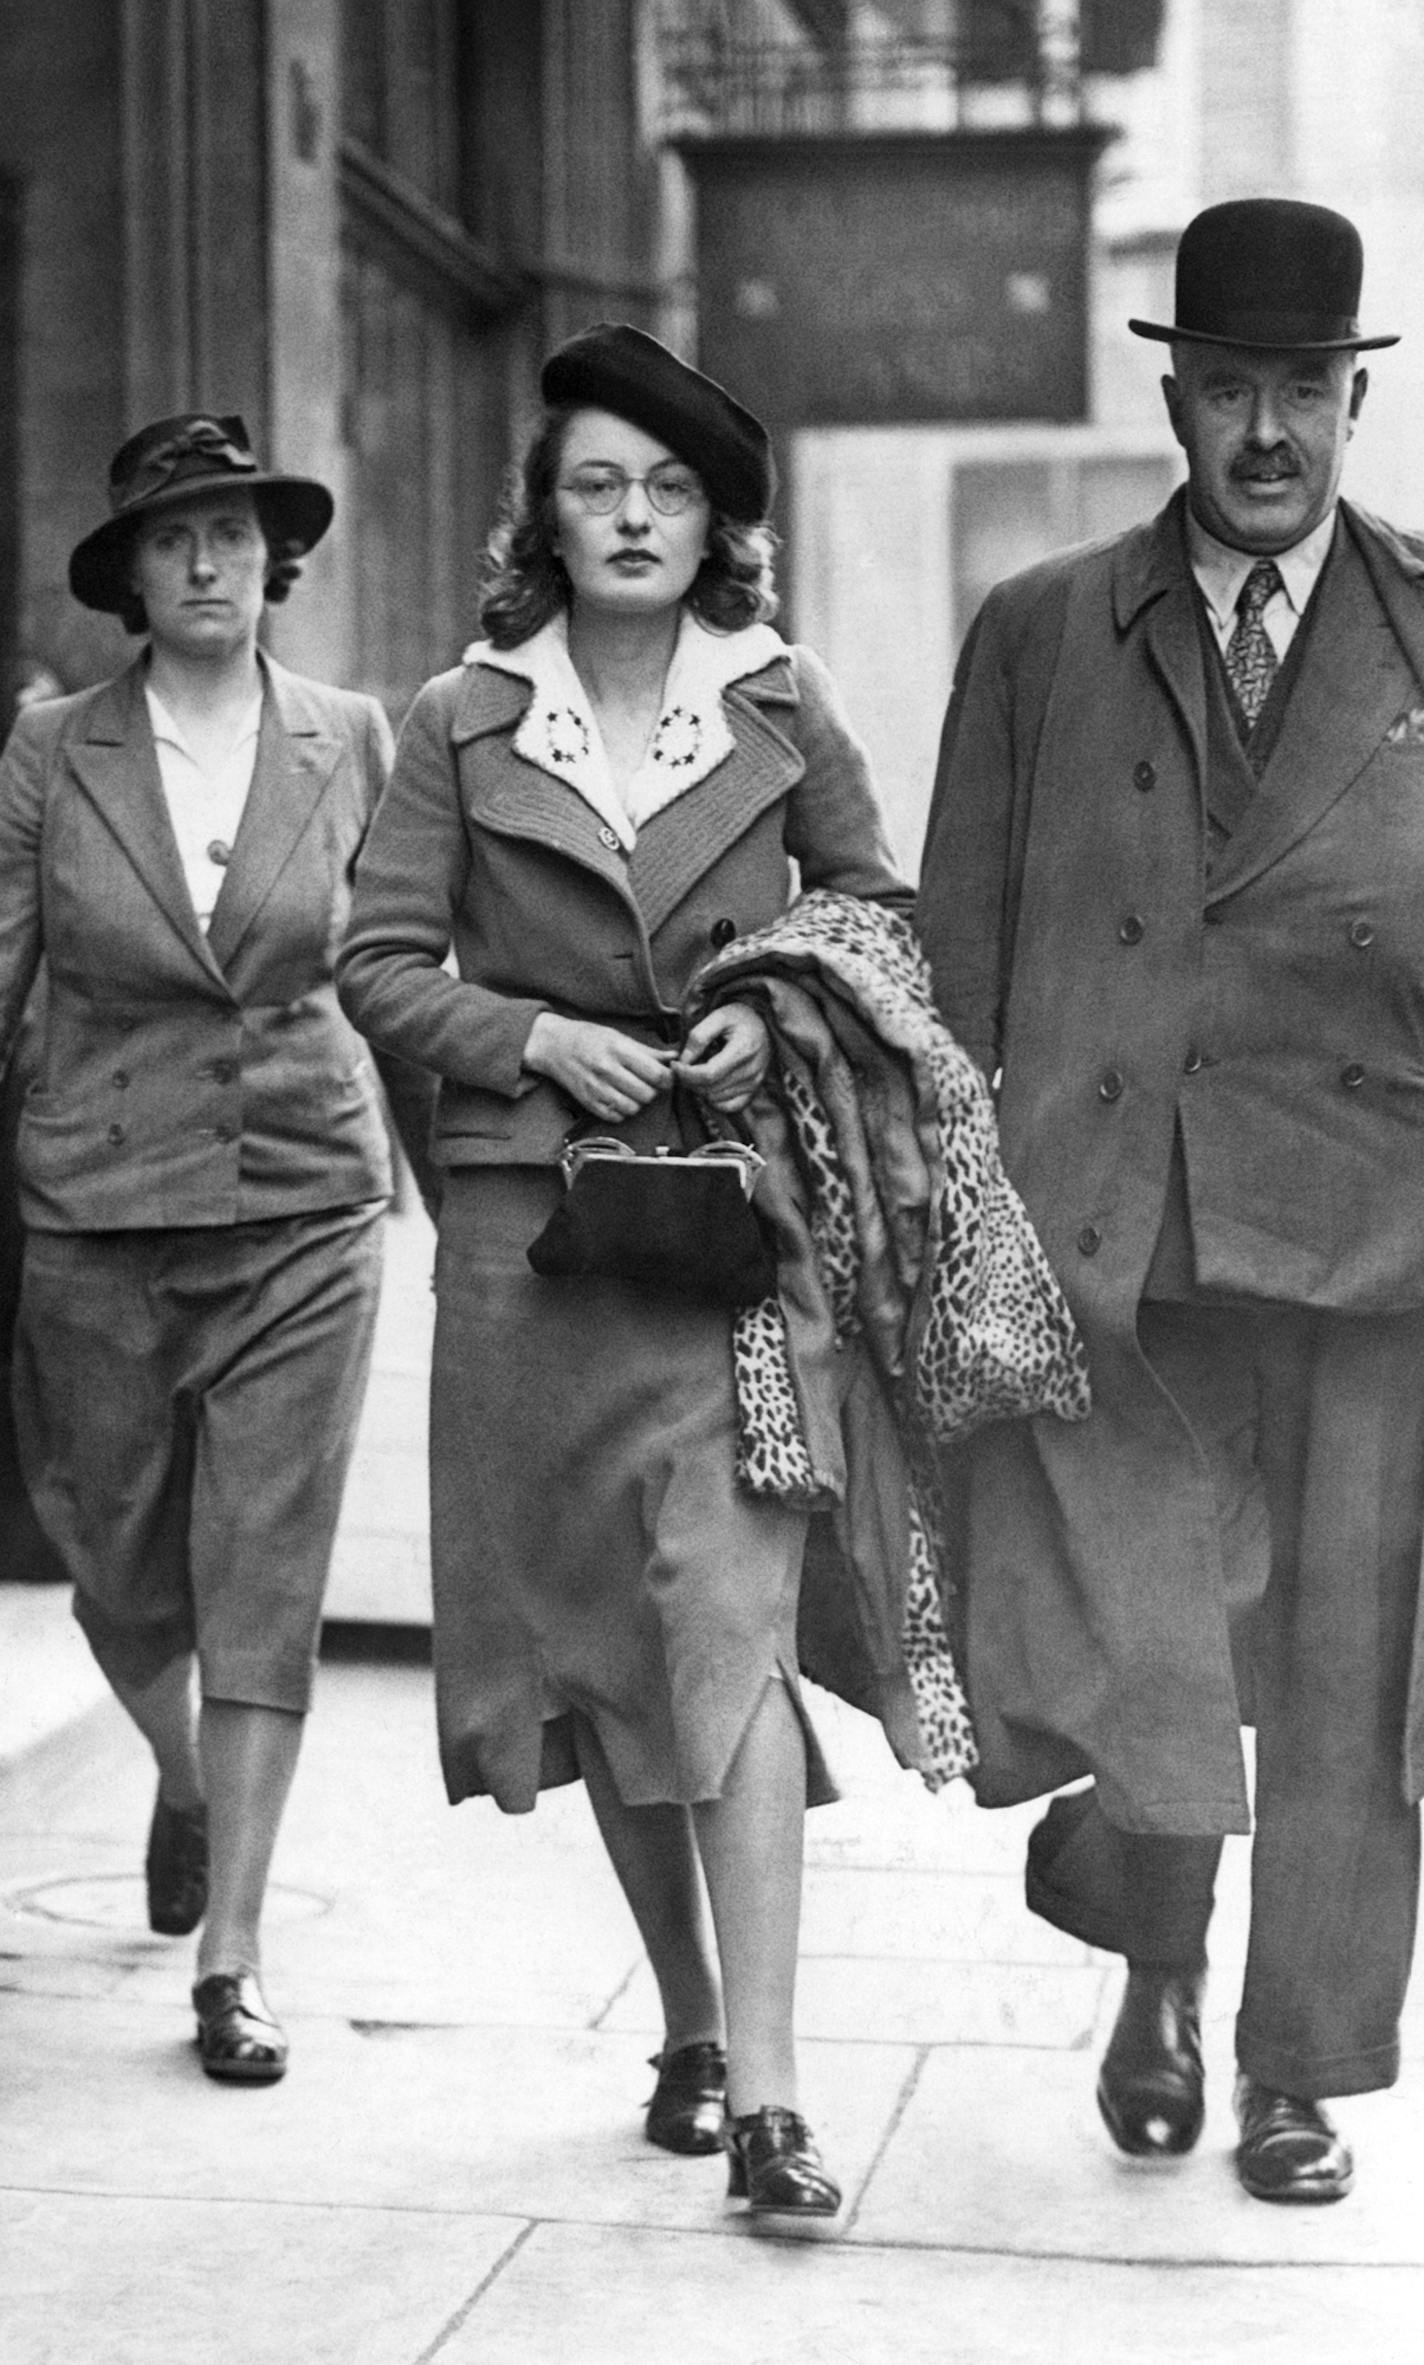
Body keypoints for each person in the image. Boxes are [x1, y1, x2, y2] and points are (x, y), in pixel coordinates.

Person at [337, 322, 908, 2223]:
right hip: (528, 1243)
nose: (635, 516)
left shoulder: (782, 696)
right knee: (598, 1657)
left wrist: (773, 1000)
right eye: (598, 483)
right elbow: (379, 964)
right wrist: (526, 1039)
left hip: (737, 1237)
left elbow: (876, 914)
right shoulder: (458, 715)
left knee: (729, 1631)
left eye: (668, 488)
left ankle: (771, 2096)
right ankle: (686, 2019)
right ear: (548, 515)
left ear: (714, 523)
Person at [917, 199, 1424, 2205]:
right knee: (1148, 1633)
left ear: (1352, 397)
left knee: (1335, 1664)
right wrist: (953, 1229)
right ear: (1174, 398)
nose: (1270, 431)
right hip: (1114, 1235)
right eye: (1232, 389)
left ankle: (1290, 2062)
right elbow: (954, 965)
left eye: (1306, 388)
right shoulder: (1042, 630)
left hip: (1373, 1236)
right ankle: (1154, 1953)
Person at [0, 413, 435, 2083]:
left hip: (305, 1203)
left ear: (275, 562)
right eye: (176, 538)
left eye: (236, 536)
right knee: (109, 1547)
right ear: (129, 571)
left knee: (265, 1571)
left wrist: (462, 1205)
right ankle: (180, 1780)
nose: (207, 563)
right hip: (97, 1205)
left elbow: (390, 969)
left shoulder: (351, 736)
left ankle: (234, 1955)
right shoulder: (53, 750)